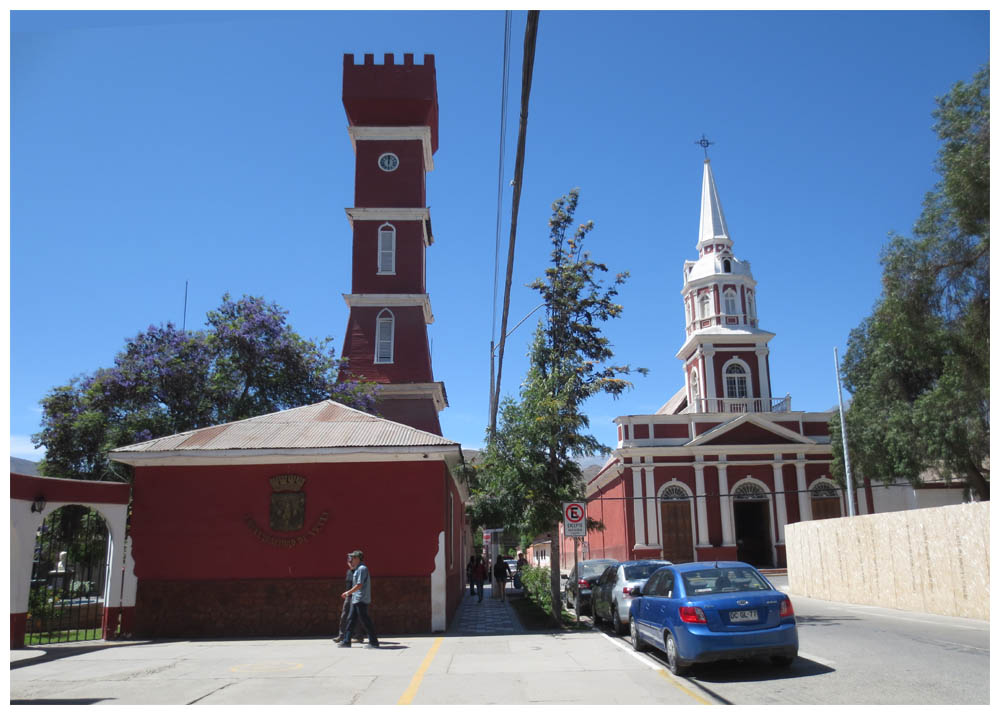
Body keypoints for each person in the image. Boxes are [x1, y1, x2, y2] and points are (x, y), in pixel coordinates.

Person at [339, 550, 380, 648]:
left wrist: (348, 592)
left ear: (357, 558)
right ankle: (346, 641)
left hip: (361, 599)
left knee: (365, 620)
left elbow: (359, 584)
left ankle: (374, 642)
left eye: (353, 558)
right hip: (356, 599)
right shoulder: (357, 569)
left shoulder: (362, 569)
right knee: (351, 620)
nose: (351, 559)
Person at [336, 554, 364, 644]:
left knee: (354, 617)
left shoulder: (359, 572)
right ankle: (341, 635)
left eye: (352, 561)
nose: (350, 563)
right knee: (344, 615)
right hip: (348, 597)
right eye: (349, 562)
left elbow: (359, 585)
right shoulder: (348, 572)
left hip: (356, 597)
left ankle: (358, 636)